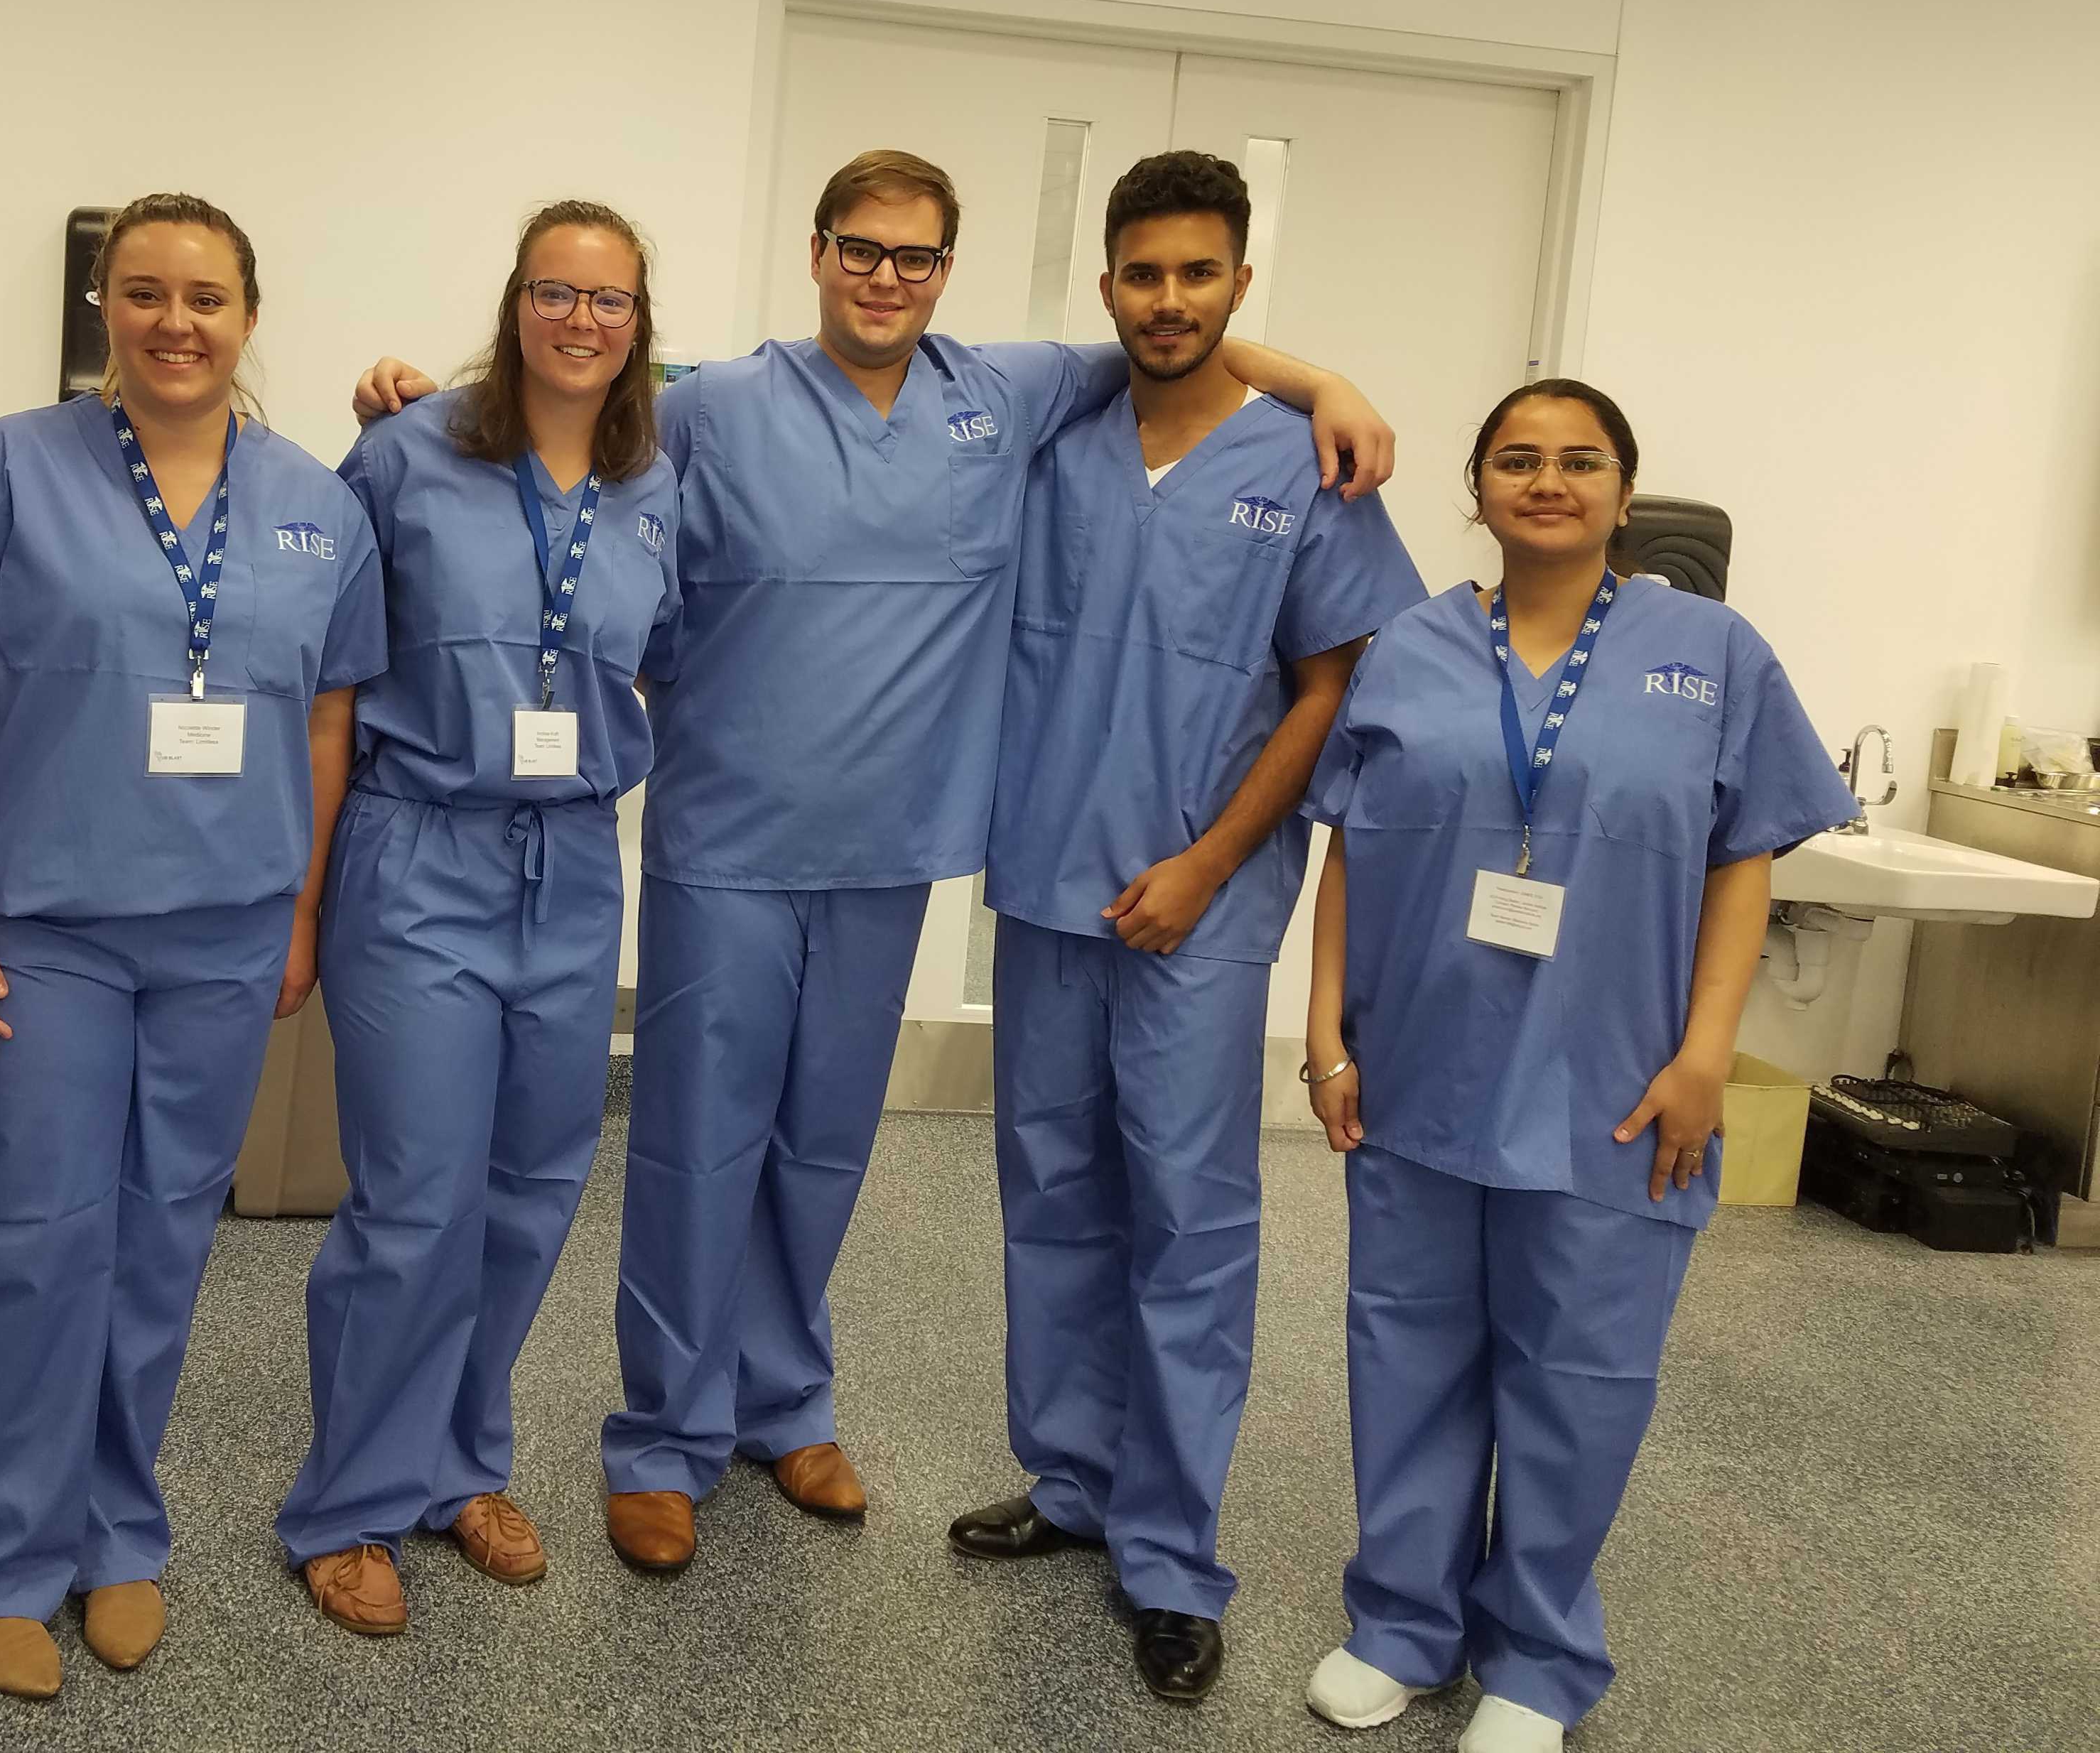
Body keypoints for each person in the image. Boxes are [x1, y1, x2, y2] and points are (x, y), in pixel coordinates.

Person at [352, 148, 1396, 1575]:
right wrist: (422, 403)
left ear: (948, 271)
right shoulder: (716, 406)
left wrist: (1327, 383)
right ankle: (664, 1436)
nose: (885, 277)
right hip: (730, 838)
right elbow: (566, 410)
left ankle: (783, 1404)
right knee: (696, 1145)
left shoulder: (1005, 392)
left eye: (915, 256)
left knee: (824, 1146)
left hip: (891, 848)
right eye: (861, 248)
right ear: (819, 252)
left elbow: (1176, 343)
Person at [1293, 380, 1852, 1752]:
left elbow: (1746, 855)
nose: (1549, 481)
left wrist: (1707, 1054)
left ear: (1624, 489)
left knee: (1580, 1372)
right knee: (1409, 1351)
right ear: (1478, 488)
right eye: (1519, 459)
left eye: (1581, 460)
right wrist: (1324, 1033)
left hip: (1612, 1081)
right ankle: (1402, 1625)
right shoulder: (1412, 645)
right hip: (1422, 1067)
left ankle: (1537, 1661)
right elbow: (1352, 844)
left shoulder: (1712, 654)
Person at [0, 192, 384, 1700]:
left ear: (250, 317)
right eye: (147, 292)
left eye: (207, 297)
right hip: (44, 924)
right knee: (35, 1243)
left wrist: (298, 908)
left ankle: (116, 1532)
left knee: (162, 1245)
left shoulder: (318, 506)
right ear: (106, 304)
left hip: (225, 931)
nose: (178, 322)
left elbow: (327, 720)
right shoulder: (7, 468)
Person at [951, 151, 1427, 1702]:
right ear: (1106, 285)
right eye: (1144, 274)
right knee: (1051, 1189)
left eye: (1198, 273)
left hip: (1198, 909)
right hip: (1049, 881)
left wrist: (1212, 864)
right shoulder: (1058, 435)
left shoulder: (1305, 463)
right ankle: (1075, 1482)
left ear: (1240, 283)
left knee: (1187, 1219)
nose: (1170, 300)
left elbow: (1332, 685)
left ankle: (1168, 1554)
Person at [275, 201, 683, 1636]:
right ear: (516, 304)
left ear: (639, 327)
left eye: (610, 300)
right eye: (555, 292)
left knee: (530, 1188)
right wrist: (303, 892)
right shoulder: (408, 452)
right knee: (414, 1198)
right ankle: (348, 1504)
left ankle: (460, 1466)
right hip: (420, 851)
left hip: (570, 862)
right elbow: (324, 666)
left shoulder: (654, 484)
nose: (582, 320)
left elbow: (661, 659)